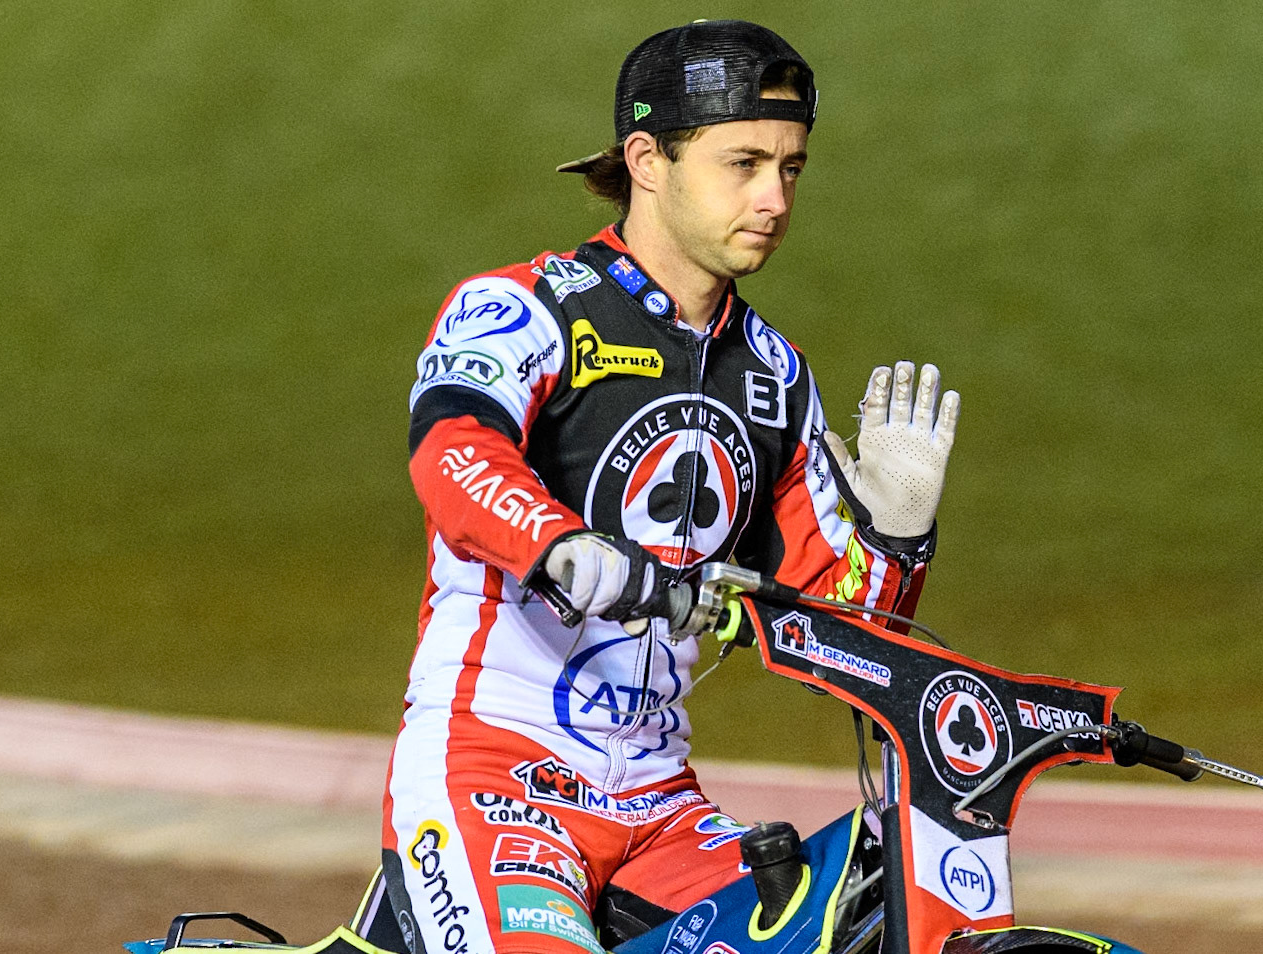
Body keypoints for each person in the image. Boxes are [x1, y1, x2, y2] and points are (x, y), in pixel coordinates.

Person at [378, 19, 960, 954]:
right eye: (743, 163)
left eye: (793, 167)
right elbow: (452, 457)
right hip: (494, 770)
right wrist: (565, 547)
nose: (774, 197)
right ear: (647, 160)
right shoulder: (524, 307)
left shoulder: (776, 374)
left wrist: (897, 535)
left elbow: (850, 636)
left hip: (659, 806)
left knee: (874, 918)